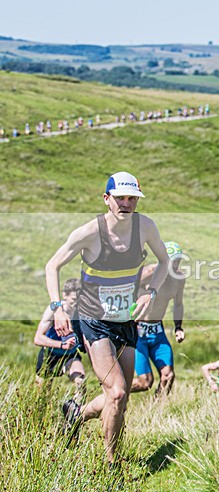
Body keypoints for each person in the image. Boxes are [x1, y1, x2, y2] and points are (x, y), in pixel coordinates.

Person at [44, 172, 169, 463]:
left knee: (121, 399)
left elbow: (164, 262)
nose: (126, 204)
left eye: (131, 198)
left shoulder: (146, 227)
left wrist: (150, 292)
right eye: (120, 198)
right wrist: (58, 307)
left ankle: (76, 414)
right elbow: (52, 265)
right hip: (93, 319)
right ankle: (111, 463)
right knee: (116, 391)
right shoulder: (89, 232)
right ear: (106, 199)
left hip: (124, 321)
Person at [130, 241, 187, 397]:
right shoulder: (147, 273)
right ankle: (115, 392)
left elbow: (178, 304)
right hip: (137, 331)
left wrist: (178, 327)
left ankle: (157, 409)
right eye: (172, 261)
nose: (176, 266)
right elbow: (127, 289)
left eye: (178, 261)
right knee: (145, 382)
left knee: (168, 376)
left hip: (157, 331)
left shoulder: (179, 278)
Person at [33, 278, 86, 400]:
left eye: (79, 299)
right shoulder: (53, 311)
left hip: (70, 355)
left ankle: (75, 414)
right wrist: (62, 345)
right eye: (73, 299)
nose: (76, 303)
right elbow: (37, 339)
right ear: (64, 296)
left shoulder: (81, 311)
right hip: (49, 355)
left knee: (81, 382)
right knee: (42, 397)